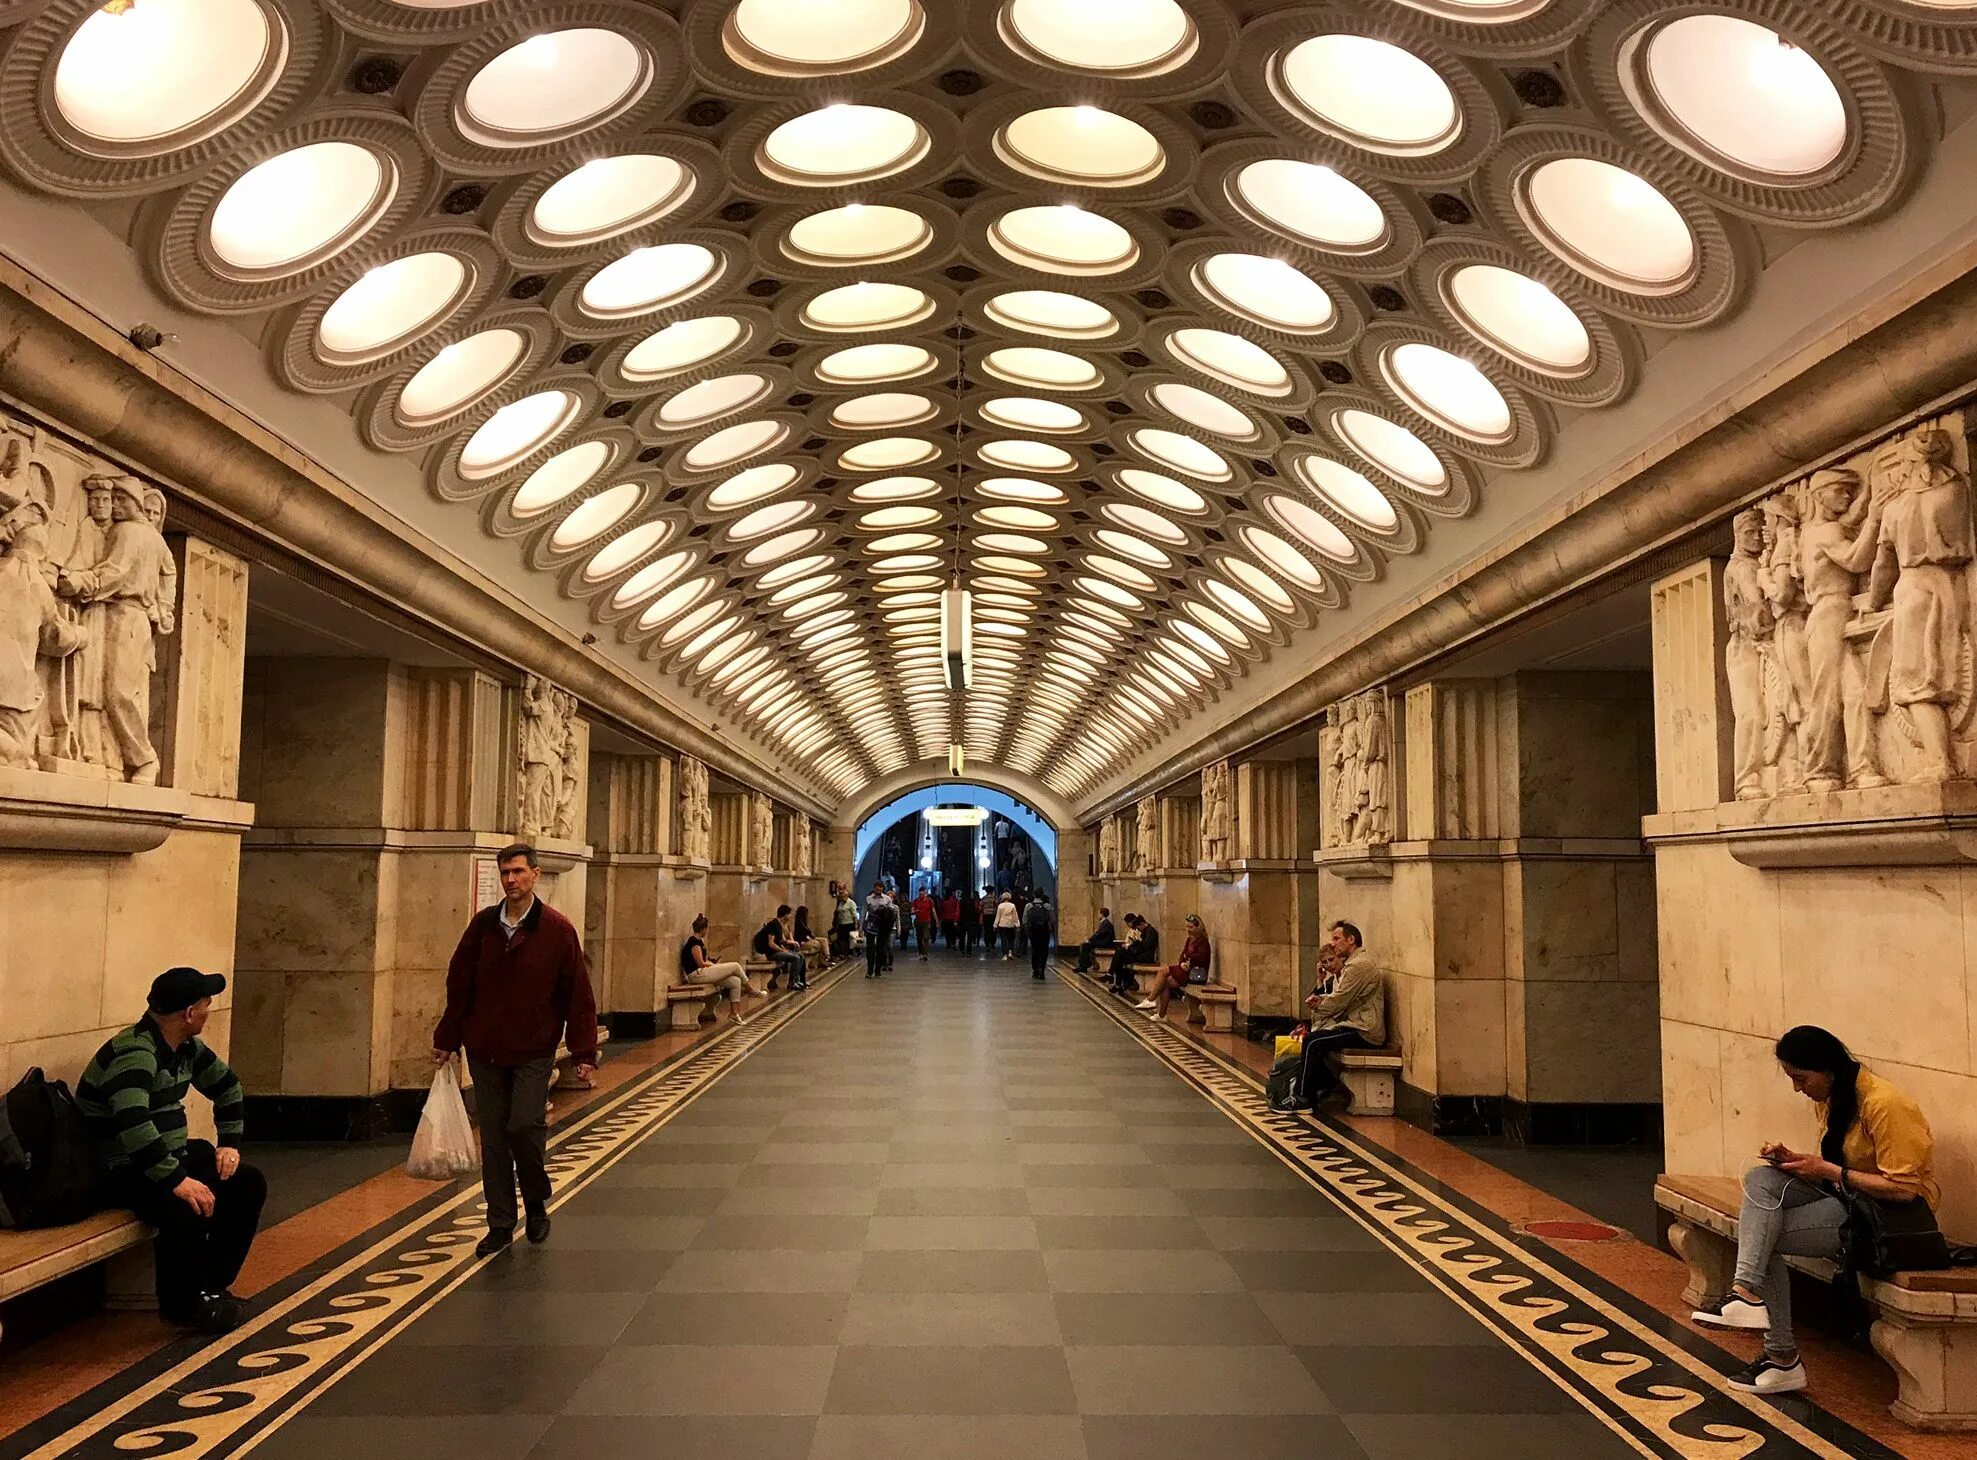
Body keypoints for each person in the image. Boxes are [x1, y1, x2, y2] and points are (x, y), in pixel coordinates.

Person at [1690, 1025, 1941, 1397]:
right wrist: (1796, 1162)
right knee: (1762, 1178)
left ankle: (1781, 1357)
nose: (1797, 1088)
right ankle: (1745, 1292)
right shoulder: (1834, 1097)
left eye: (1800, 1078)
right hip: (1846, 1196)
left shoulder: (1884, 1104)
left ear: (1827, 1068)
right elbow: (1837, 1165)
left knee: (1764, 1238)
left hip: (1886, 1218)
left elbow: (1906, 1190)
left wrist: (1826, 1170)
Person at [77, 967, 265, 1334]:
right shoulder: (135, 1052)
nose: (211, 1009)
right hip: (122, 1168)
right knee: (185, 1205)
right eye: (207, 1003)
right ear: (189, 1013)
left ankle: (210, 1286)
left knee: (246, 1183)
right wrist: (178, 1180)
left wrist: (229, 1143)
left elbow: (228, 1088)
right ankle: (183, 1307)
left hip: (165, 1156)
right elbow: (133, 1124)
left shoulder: (185, 1048)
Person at [433, 844, 599, 1256]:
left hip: (533, 1048)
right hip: (485, 1048)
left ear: (535, 875)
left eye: (518, 872)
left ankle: (537, 1201)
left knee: (524, 1126)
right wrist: (447, 1038)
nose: (511, 880)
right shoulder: (483, 926)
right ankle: (501, 1222)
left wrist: (583, 1052)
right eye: (505, 872)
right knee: (493, 1139)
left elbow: (577, 994)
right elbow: (459, 985)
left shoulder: (558, 930)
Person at [1283, 921, 1385, 1112]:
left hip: (1364, 1031)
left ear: (1351, 940)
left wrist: (1317, 1008)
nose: (1333, 944)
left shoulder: (1359, 966)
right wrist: (1320, 1000)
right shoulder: (1352, 965)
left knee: (1313, 1042)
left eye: (1337, 938)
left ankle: (1302, 1097)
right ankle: (1320, 1088)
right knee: (1316, 1041)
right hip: (1353, 1025)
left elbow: (1339, 1001)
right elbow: (1337, 999)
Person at [680, 915, 762, 1026]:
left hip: (703, 973)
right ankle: (751, 990)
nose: (707, 931)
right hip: (696, 975)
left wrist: (712, 963)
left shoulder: (699, 942)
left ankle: (734, 1013)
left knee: (735, 982)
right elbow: (701, 963)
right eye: (707, 928)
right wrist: (711, 964)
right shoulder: (694, 943)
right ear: (703, 929)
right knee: (735, 966)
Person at [1137, 912, 1210, 1018]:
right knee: (1165, 983)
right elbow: (1182, 954)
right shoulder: (1190, 939)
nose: (1188, 929)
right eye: (1187, 927)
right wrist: (1182, 963)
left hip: (1195, 973)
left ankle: (1151, 999)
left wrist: (1188, 957)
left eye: (1191, 927)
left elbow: (1201, 957)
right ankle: (1162, 1015)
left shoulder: (1202, 941)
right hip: (1186, 969)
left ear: (1198, 927)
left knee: (1163, 971)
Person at [753, 905, 807, 990]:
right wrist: (783, 950)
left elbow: (779, 941)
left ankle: (797, 981)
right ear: (785, 915)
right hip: (771, 953)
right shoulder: (773, 925)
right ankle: (791, 983)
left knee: (801, 956)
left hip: (776, 951)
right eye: (789, 914)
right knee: (796, 958)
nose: (790, 916)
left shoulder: (778, 925)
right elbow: (771, 944)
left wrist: (784, 949)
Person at [1109, 914, 1160, 996]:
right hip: (1141, 954)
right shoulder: (1146, 930)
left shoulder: (1151, 931)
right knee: (1120, 955)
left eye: (1138, 927)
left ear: (1142, 924)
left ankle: (1114, 977)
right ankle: (1119, 983)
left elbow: (1146, 946)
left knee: (1120, 955)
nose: (1138, 930)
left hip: (1145, 956)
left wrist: (1136, 942)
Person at [863, 883, 895, 978]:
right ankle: (869, 971)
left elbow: (892, 912)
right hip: (871, 924)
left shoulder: (887, 899)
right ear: (874, 889)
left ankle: (877, 970)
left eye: (880, 890)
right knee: (870, 948)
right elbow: (864, 912)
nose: (878, 892)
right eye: (877, 890)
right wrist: (861, 926)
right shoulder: (868, 899)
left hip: (883, 926)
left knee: (881, 948)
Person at [1075, 906, 1118, 973]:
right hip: (1103, 941)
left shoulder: (1106, 923)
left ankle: (1084, 965)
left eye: (1098, 913)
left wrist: (1089, 940)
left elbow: (1100, 934)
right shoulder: (1103, 923)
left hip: (1105, 943)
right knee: (1084, 945)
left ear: (1102, 914)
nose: (1097, 915)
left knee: (1085, 946)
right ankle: (1084, 965)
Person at [1024, 892, 1055, 979]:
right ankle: (1042, 970)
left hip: (1033, 930)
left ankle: (1035, 970)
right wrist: (1052, 930)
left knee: (1035, 950)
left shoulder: (1028, 906)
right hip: (1044, 930)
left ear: (1034, 895)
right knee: (1044, 950)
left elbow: (1024, 920)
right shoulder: (1047, 906)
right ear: (1042, 896)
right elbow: (1052, 920)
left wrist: (1028, 931)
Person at [792, 905, 828, 972]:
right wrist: (811, 934)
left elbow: (808, 932)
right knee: (819, 945)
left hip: (807, 939)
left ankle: (826, 956)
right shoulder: (799, 922)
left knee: (824, 940)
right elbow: (807, 931)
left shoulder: (803, 922)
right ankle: (826, 957)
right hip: (802, 941)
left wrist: (811, 935)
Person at [831, 887, 858, 959]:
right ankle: (842, 953)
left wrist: (856, 925)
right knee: (841, 938)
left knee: (849, 939)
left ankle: (849, 953)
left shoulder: (851, 903)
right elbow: (838, 912)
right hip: (841, 923)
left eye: (843, 896)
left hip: (849, 923)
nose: (841, 897)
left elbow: (854, 915)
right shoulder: (840, 903)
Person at [910, 887, 936, 960]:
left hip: (927, 921)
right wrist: (915, 911)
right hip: (918, 921)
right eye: (920, 893)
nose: (921, 895)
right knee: (919, 938)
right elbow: (912, 911)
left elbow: (933, 911)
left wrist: (936, 921)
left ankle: (925, 953)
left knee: (926, 937)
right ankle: (920, 952)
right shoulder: (915, 901)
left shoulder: (930, 901)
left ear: (925, 893)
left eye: (923, 893)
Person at [993, 892, 1020, 959]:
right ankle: (1010, 951)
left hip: (1002, 924)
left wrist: (995, 925)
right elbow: (1015, 916)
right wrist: (1017, 924)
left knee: (1003, 940)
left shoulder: (1000, 906)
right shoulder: (1012, 905)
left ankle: (1005, 954)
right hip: (1010, 924)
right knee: (1011, 939)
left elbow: (998, 916)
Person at [958, 887, 980, 953]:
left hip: (962, 920)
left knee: (962, 936)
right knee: (970, 937)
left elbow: (958, 911)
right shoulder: (973, 901)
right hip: (971, 921)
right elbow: (977, 910)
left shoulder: (960, 901)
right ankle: (968, 952)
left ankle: (962, 949)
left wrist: (957, 920)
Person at [976, 889, 997, 957]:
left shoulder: (983, 898)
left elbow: (980, 907)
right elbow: (997, 906)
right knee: (993, 930)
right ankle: (993, 943)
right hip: (993, 916)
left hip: (986, 916)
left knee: (987, 930)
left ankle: (987, 944)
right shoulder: (994, 898)